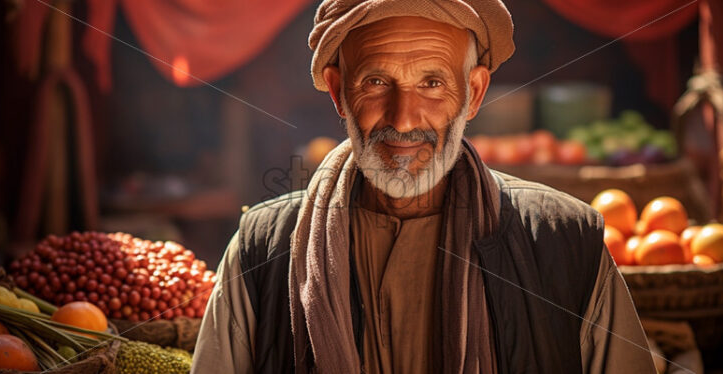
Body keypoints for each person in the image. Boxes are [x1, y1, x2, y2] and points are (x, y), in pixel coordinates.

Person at [192, 0, 656, 373]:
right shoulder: (262, 248)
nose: (403, 118)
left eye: (432, 83)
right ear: (338, 92)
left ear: (473, 94)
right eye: (375, 82)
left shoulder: (563, 239)